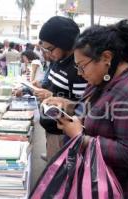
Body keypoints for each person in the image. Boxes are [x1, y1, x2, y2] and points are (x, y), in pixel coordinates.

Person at [43, 20, 128, 198]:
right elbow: (96, 111)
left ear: (107, 57)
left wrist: (80, 137)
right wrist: (70, 106)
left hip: (107, 188)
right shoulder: (103, 81)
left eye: (82, 66)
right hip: (84, 179)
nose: (79, 73)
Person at [36, 16, 87, 162]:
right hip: (50, 126)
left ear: (64, 43)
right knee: (52, 156)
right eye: (45, 49)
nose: (48, 53)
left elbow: (81, 108)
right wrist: (42, 88)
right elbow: (51, 85)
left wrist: (53, 96)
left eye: (50, 49)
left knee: (57, 172)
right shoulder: (58, 60)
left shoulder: (78, 69)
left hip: (62, 133)